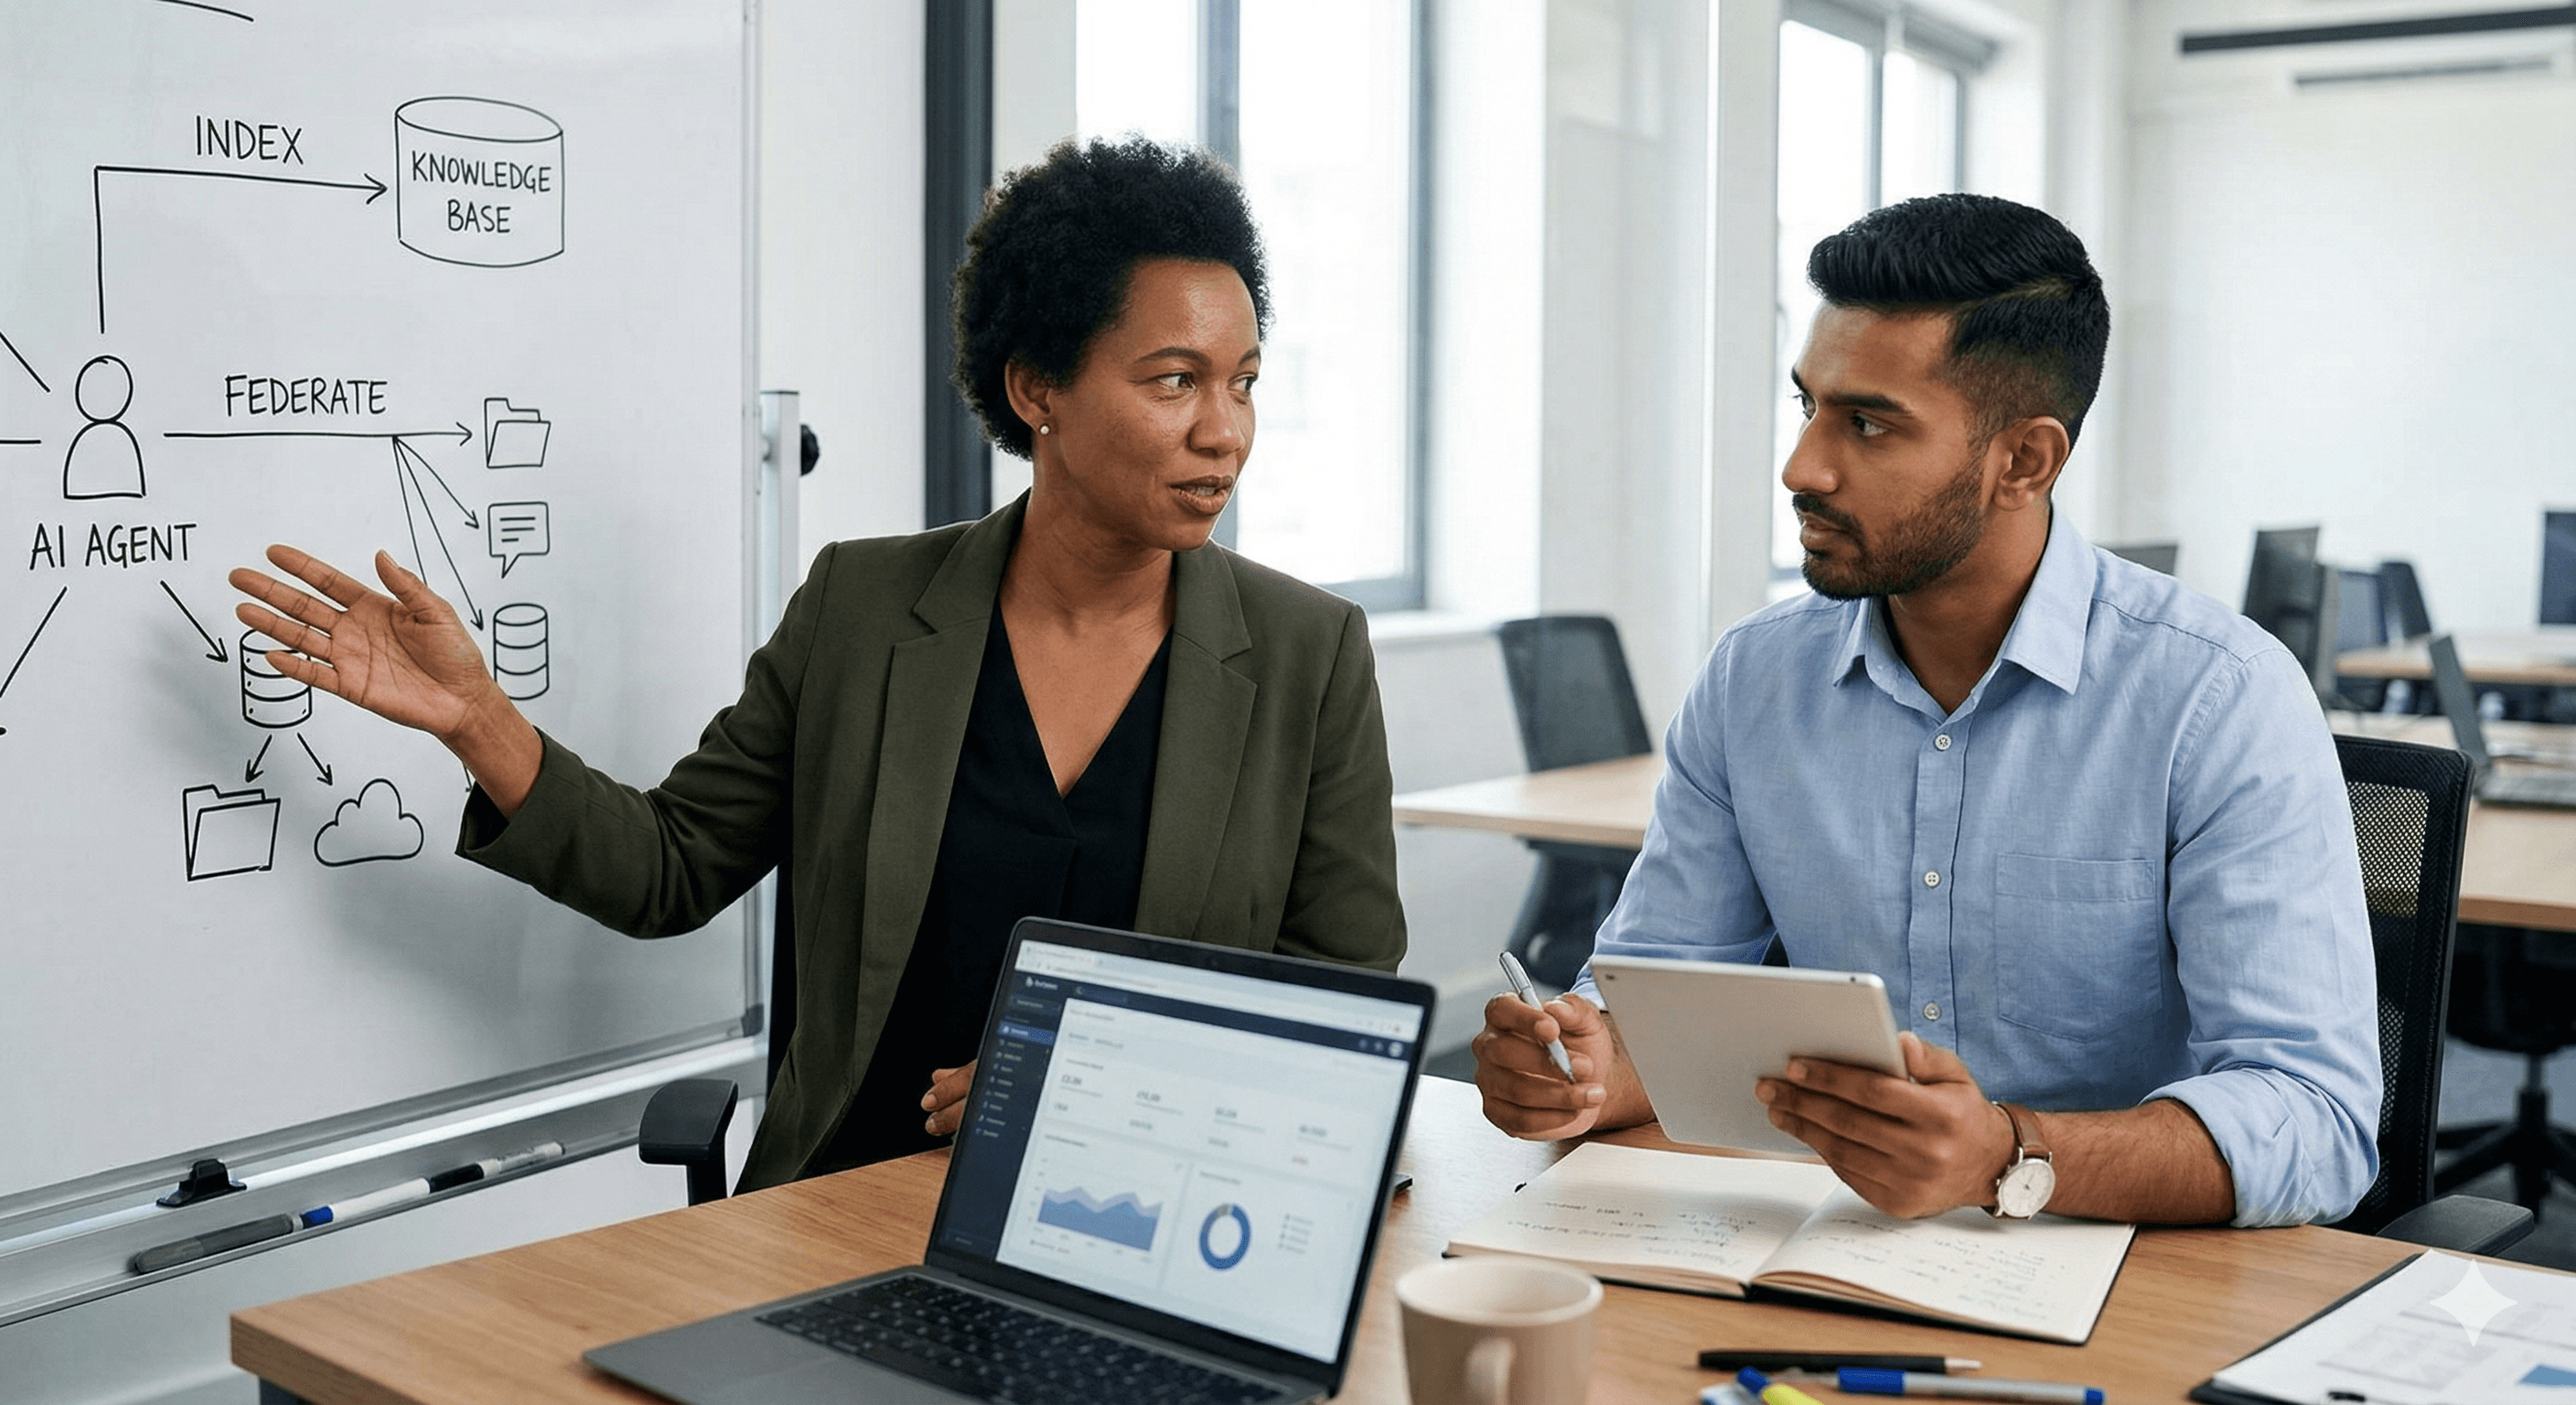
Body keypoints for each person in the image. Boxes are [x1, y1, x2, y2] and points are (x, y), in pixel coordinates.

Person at [229, 137, 1406, 1191]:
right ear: (1035, 388)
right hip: (846, 1205)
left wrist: (1097, 1081)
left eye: (1243, 380)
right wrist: (476, 716)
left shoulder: (1308, 656)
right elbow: (670, 867)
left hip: (1142, 1224)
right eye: (1174, 380)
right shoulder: (864, 608)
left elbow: (1341, 1009)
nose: (1225, 429)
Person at [1474, 193, 2380, 1228]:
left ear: (2023, 462)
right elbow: (1656, 1007)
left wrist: (2008, 1153)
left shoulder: (2217, 698)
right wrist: (1584, 1064)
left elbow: (2316, 1120)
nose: (1801, 467)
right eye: (1806, 406)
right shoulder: (1752, 680)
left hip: (2119, 1268)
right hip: (1817, 1245)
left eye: (1866, 424)